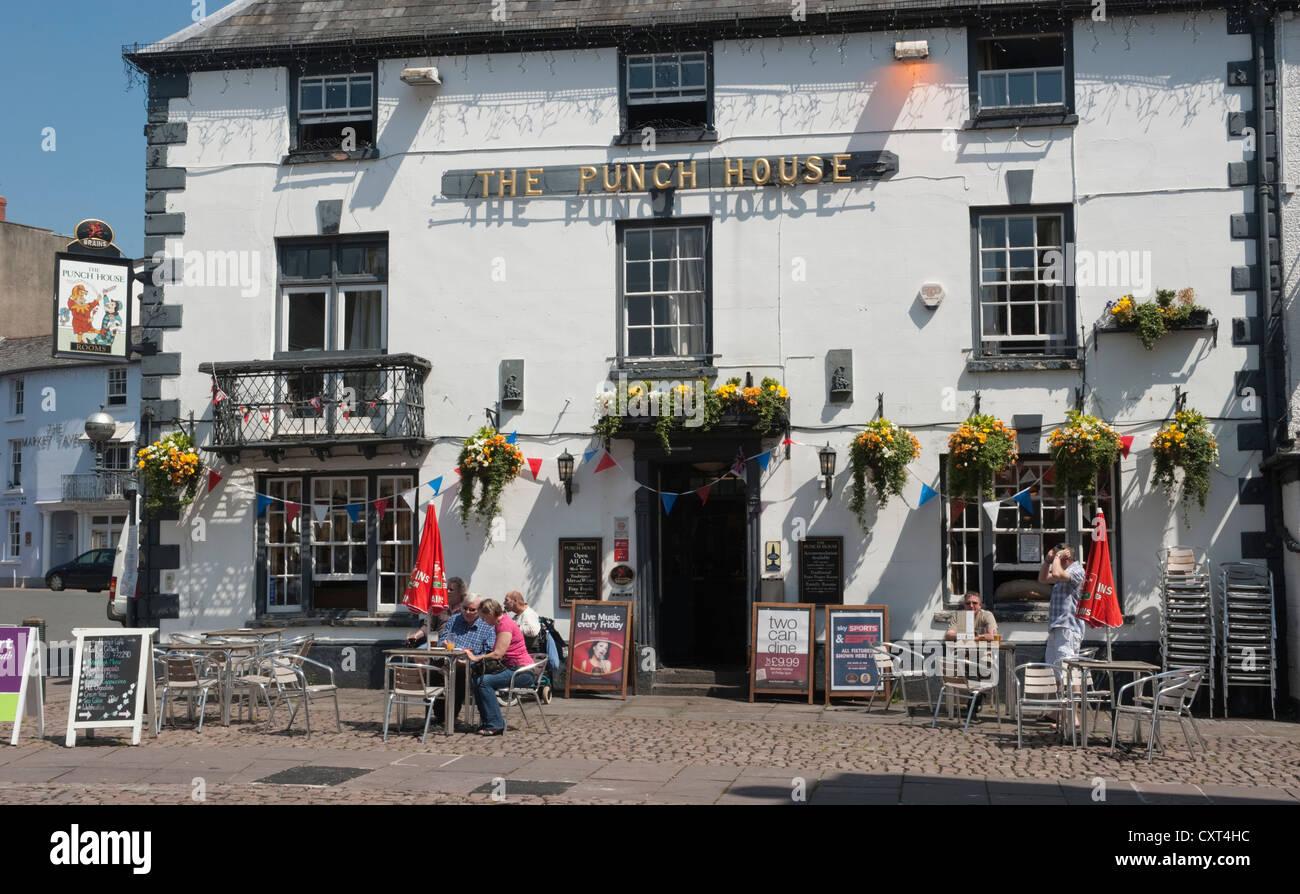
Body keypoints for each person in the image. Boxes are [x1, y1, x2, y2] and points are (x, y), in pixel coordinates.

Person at [465, 598, 537, 736]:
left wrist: (475, 658)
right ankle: (487, 721)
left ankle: (495, 724)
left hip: (522, 672)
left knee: (484, 682)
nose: (483, 621)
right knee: (476, 679)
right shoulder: (500, 623)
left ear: (491, 613)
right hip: (513, 668)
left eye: (484, 617)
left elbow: (498, 654)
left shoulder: (504, 625)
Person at [427, 593, 494, 725]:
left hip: (472, 663)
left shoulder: (487, 625)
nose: (467, 612)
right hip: (450, 658)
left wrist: (468, 661)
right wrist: (444, 644)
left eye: (472, 609)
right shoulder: (454, 619)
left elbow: (488, 651)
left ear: (479, 610)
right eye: (464, 608)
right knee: (432, 671)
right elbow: (442, 640)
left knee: (458, 675)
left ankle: (450, 717)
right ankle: (440, 715)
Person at [1039, 542, 1086, 727]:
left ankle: (1072, 716)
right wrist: (1046, 561)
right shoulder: (1062, 573)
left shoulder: (1076, 571)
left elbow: (1057, 573)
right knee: (1057, 672)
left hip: (1068, 628)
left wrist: (1057, 558)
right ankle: (1059, 712)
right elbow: (1043, 579)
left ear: (1067, 557)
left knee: (1069, 672)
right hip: (1057, 627)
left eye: (1058, 557)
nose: (1054, 561)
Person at [405, 576, 467, 647]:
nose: (447, 591)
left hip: (458, 643)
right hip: (438, 642)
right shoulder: (439, 606)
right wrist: (415, 636)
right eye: (446, 589)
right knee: (417, 655)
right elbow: (428, 626)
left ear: (460, 592)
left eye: (451, 590)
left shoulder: (467, 609)